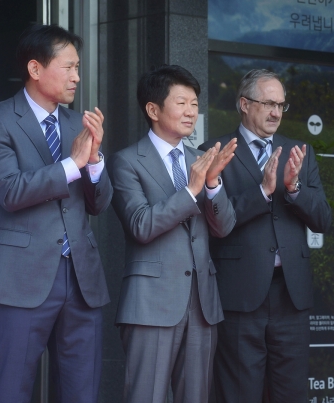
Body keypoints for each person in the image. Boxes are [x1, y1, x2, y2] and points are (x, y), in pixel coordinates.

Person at [0, 24, 112, 402]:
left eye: (78, 67)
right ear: (35, 69)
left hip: (81, 279)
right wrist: (72, 164)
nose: (77, 76)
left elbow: (99, 203)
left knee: (81, 390)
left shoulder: (79, 123)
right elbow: (9, 191)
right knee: (10, 388)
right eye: (68, 66)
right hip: (19, 278)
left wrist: (94, 164)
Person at [200, 69, 331, 402]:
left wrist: (293, 188)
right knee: (240, 392)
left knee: (290, 393)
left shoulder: (299, 151)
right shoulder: (215, 153)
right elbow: (217, 222)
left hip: (291, 294)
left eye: (281, 105)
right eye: (269, 103)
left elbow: (323, 220)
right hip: (240, 296)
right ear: (244, 104)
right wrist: (262, 191)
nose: (276, 113)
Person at [109, 65, 237, 403]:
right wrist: (191, 190)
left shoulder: (201, 160)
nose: (191, 112)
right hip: (151, 302)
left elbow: (224, 227)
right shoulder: (126, 162)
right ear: (153, 109)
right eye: (181, 103)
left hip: (202, 303)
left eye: (194, 104)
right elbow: (140, 225)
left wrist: (211, 185)